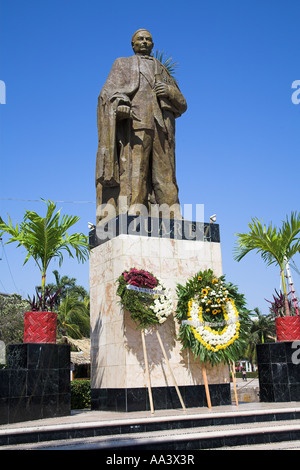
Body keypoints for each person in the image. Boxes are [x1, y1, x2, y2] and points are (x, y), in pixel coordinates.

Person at [95, 29, 187, 223]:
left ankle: (171, 213)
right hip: (138, 122)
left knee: (166, 173)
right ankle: (136, 209)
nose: (145, 42)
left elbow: (183, 104)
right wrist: (120, 105)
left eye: (148, 39)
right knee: (137, 170)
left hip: (162, 127)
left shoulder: (162, 69)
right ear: (133, 44)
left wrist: (169, 91)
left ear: (153, 44)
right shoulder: (122, 64)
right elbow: (107, 94)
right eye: (140, 39)